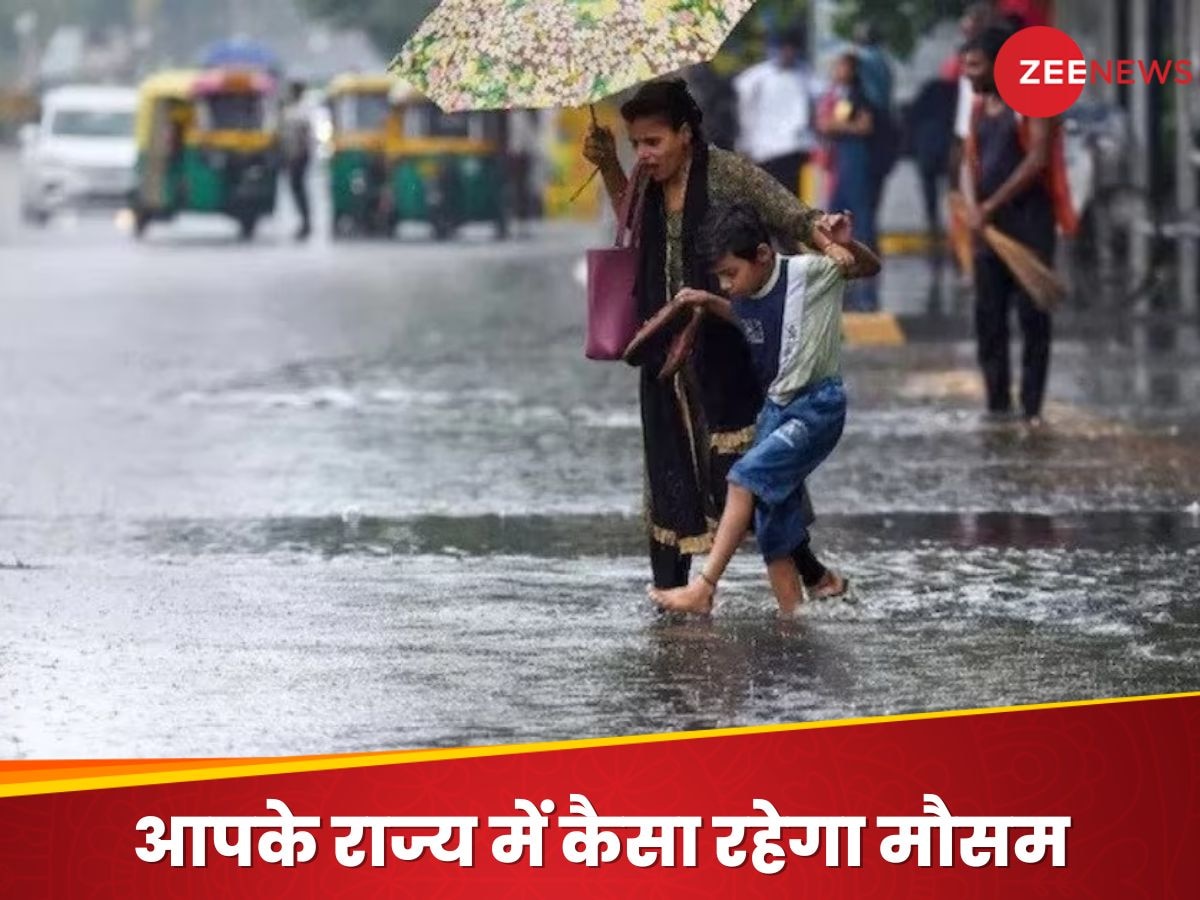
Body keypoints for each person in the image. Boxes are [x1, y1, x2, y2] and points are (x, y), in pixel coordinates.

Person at [582, 78, 853, 600]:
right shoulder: (643, 178)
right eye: (635, 143)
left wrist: (828, 235)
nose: (644, 153)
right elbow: (632, 227)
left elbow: (789, 213)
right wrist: (610, 166)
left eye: (653, 142)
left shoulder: (727, 172)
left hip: (726, 344)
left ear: (686, 133)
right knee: (668, 472)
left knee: (749, 470)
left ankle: (812, 574)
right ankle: (672, 594)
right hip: (663, 345)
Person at [649, 204, 880, 615]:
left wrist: (846, 246)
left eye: (730, 274)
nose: (727, 285)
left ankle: (704, 588)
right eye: (719, 278)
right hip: (776, 409)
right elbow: (742, 316)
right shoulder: (744, 291)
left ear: (762, 255)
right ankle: (794, 617)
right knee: (772, 520)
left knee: (743, 479)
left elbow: (866, 267)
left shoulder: (808, 274)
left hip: (815, 408)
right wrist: (706, 299)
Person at [959, 26, 1055, 424]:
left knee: (1033, 316)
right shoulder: (980, 109)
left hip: (1028, 226)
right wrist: (971, 205)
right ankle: (997, 406)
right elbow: (968, 161)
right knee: (988, 317)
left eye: (976, 66)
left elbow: (1037, 159)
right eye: (966, 66)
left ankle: (1031, 408)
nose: (968, 74)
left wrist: (992, 204)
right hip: (988, 234)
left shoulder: (1030, 101)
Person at [817, 52, 878, 311]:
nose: (837, 70)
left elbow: (864, 126)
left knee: (859, 216)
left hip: (856, 160)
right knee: (836, 212)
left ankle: (864, 269)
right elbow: (824, 124)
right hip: (840, 161)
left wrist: (837, 126)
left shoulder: (858, 96)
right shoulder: (836, 95)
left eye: (842, 66)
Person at [734, 26, 819, 195]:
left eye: (791, 48)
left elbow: (820, 98)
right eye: (784, 48)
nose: (788, 52)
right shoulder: (757, 76)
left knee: (793, 199)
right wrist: (745, 142)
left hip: (795, 147)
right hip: (765, 150)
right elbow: (744, 106)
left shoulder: (805, 75)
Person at [281, 81, 312, 241]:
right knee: (296, 190)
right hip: (293, 155)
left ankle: (306, 223)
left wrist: (297, 155)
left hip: (299, 156)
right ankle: (304, 222)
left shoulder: (302, 110)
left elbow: (303, 136)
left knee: (299, 190)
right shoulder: (291, 109)